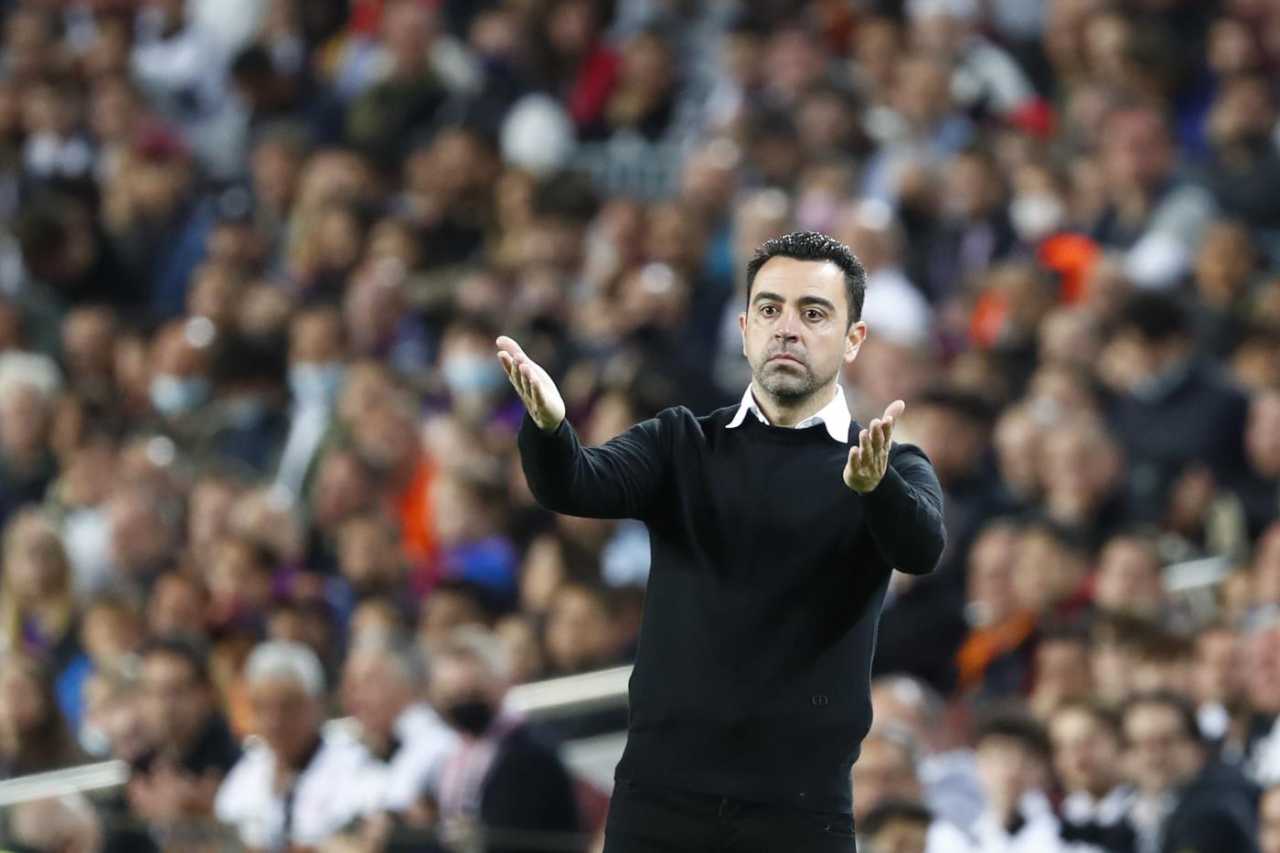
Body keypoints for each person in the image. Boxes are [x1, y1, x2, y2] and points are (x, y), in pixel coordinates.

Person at [498, 231, 946, 851]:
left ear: (853, 338)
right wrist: (550, 428)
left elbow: (920, 549)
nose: (787, 329)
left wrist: (876, 488)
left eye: (813, 313)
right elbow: (575, 484)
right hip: (657, 804)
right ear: (744, 329)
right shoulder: (681, 443)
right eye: (770, 309)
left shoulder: (888, 464)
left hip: (798, 813)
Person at [214, 640, 372, 850]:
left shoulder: (354, 763)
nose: (275, 721)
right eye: (263, 708)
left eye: (287, 707)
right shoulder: (250, 769)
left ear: (317, 704)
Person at [1122, 690, 1260, 853]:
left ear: (1196, 749)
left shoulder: (1220, 810)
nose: (1154, 757)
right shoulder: (1122, 813)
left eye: (1166, 742)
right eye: (1141, 744)